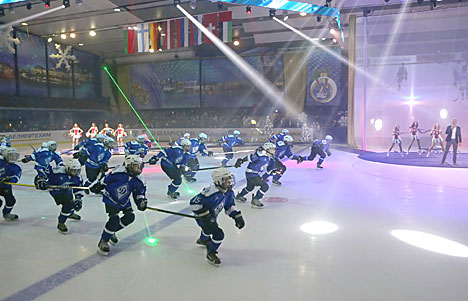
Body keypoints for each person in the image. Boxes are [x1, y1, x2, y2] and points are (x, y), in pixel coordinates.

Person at [90, 155, 147, 256]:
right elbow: (105, 180)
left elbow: (139, 193)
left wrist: (141, 201)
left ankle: (111, 232)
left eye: (140, 165)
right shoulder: (118, 172)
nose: (139, 168)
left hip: (124, 200)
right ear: (129, 166)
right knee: (114, 219)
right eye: (135, 166)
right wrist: (98, 186)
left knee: (130, 217)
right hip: (110, 198)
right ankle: (104, 240)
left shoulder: (139, 179)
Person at [190, 167, 245, 267]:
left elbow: (229, 207)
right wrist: (205, 215)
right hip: (203, 218)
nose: (229, 181)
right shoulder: (211, 192)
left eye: (229, 178)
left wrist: (236, 216)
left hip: (212, 216)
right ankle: (211, 253)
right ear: (219, 180)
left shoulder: (228, 192)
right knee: (218, 234)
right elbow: (194, 203)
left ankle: (203, 239)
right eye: (226, 179)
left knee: (208, 230)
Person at [36, 158, 84, 234]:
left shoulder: (78, 176)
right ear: (67, 168)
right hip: (56, 191)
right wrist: (40, 180)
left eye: (77, 170)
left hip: (67, 191)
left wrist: (78, 198)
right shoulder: (56, 171)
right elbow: (43, 171)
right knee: (68, 205)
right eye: (73, 170)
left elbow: (78, 188)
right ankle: (61, 223)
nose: (75, 172)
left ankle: (70, 214)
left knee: (71, 203)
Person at [234, 142, 276, 208]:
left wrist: (273, 171)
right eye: (272, 149)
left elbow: (269, 169)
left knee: (250, 187)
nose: (274, 151)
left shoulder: (270, 158)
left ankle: (239, 196)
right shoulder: (260, 155)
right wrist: (241, 161)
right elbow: (250, 157)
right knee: (265, 186)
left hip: (253, 173)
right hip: (251, 173)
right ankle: (256, 199)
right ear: (267, 149)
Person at [0, 148, 22, 221]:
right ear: (5, 156)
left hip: (5, 186)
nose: (13, 158)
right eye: (10, 156)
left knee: (11, 201)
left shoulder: (17, 167)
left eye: (14, 156)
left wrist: (9, 179)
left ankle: (6, 213)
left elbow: (16, 178)